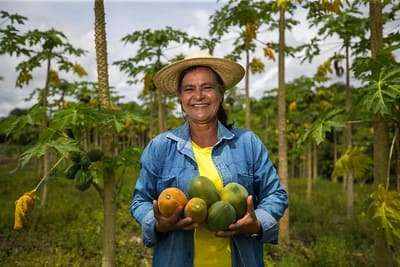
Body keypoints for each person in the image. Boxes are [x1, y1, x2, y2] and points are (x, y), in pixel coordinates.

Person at [130, 54, 288, 267]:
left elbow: (275, 194)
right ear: (180, 97)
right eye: (189, 89)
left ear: (221, 93)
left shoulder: (247, 143)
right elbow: (140, 201)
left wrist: (257, 223)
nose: (198, 96)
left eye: (207, 87)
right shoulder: (160, 147)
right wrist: (158, 224)